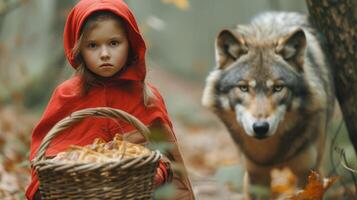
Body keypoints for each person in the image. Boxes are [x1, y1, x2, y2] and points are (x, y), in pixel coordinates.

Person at [26, 0, 195, 199]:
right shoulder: (66, 95)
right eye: (93, 45)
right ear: (79, 49)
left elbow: (166, 158)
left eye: (114, 43)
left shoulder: (146, 97)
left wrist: (152, 173)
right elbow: (47, 161)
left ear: (130, 44)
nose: (104, 54)